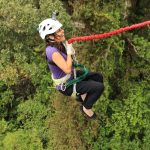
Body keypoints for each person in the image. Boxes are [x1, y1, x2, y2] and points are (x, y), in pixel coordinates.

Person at [38, 13, 104, 119]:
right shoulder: (52, 51)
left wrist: (68, 50)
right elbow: (67, 69)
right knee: (99, 87)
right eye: (59, 30)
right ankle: (86, 108)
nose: (62, 31)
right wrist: (69, 53)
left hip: (71, 76)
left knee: (98, 77)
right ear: (50, 36)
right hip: (67, 85)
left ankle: (82, 97)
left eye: (61, 28)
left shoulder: (58, 44)